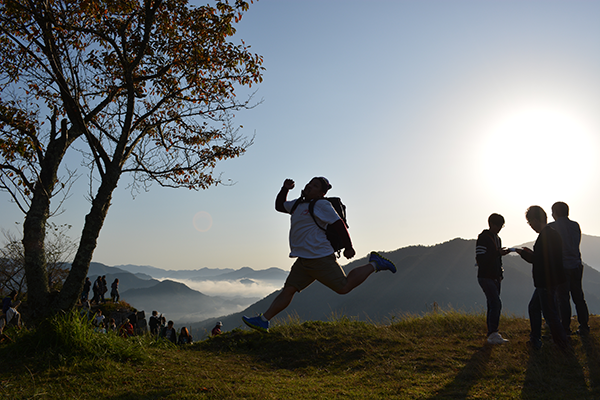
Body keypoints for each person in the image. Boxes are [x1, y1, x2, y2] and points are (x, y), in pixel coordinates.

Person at [242, 177, 397, 333]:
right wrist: (285, 189)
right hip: (303, 260)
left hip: (319, 257)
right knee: (288, 290)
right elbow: (279, 206)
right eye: (310, 183)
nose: (310, 186)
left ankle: (375, 263)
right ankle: (263, 321)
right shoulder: (297, 204)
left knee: (344, 287)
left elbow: (339, 224)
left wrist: (349, 247)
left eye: (315, 185)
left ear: (322, 193)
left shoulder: (321, 204)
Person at [516, 206, 569, 350]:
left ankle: (562, 343)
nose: (530, 226)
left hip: (546, 281)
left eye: (529, 222)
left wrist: (524, 254)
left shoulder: (545, 236)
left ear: (534, 220)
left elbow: (540, 260)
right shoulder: (553, 234)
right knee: (534, 308)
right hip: (552, 279)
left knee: (550, 314)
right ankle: (535, 340)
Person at [548, 201, 590, 335]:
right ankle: (584, 326)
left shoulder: (552, 227)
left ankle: (565, 328)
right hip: (577, 264)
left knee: (563, 298)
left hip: (562, 267)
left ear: (554, 213)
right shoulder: (575, 225)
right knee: (578, 296)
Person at [476, 213, 510, 344]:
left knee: (492, 304)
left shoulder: (497, 239)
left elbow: (497, 258)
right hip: (485, 276)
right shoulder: (483, 238)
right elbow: (481, 258)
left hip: (495, 277)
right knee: (496, 303)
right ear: (493, 224)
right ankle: (493, 333)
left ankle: (492, 333)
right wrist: (497, 253)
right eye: (499, 225)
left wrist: (500, 273)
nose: (500, 228)